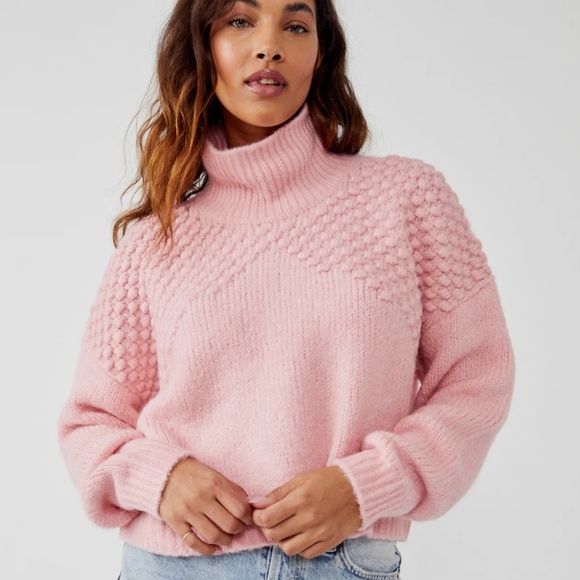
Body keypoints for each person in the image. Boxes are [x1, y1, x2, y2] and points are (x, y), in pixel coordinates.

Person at [58, 0, 515, 578]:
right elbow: (90, 421)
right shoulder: (155, 241)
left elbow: (477, 376)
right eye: (240, 21)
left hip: (340, 561)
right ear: (203, 48)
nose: (270, 45)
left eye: (296, 26)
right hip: (171, 562)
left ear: (319, 55)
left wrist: (370, 485)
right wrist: (160, 478)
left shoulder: (404, 200)